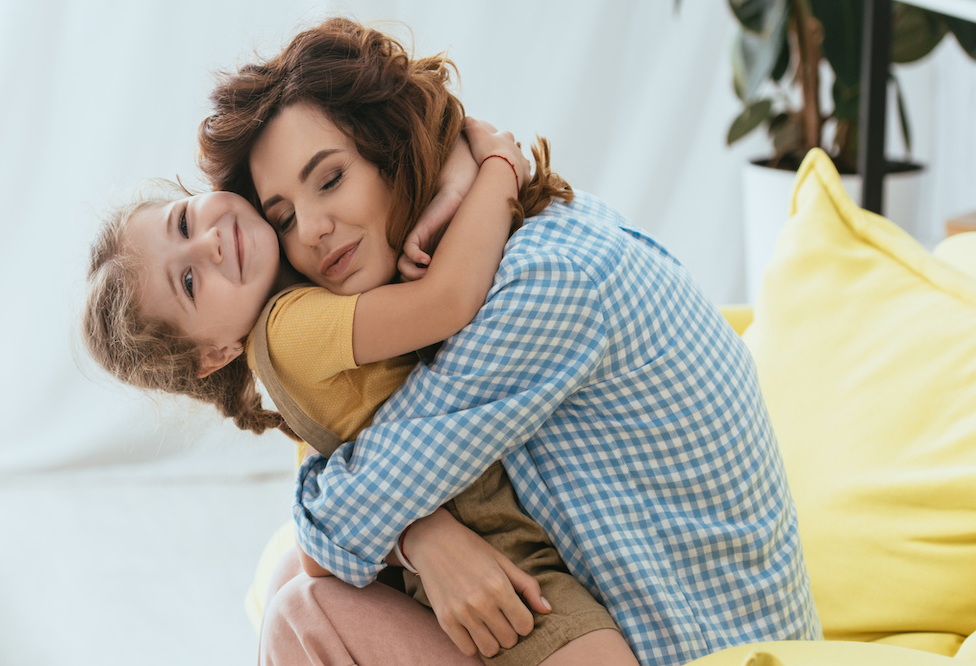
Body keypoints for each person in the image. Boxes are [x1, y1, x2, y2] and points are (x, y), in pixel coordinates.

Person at [198, 18, 821, 666]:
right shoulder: (496, 239)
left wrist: (415, 536)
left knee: (305, 609)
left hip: (690, 646)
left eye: (330, 179)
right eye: (285, 218)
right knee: (287, 589)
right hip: (628, 616)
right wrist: (479, 160)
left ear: (389, 149)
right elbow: (355, 448)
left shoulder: (544, 284)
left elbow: (336, 527)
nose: (316, 230)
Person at [82, 94, 639, 666]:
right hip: (497, 541)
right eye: (191, 283)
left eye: (182, 222)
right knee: (300, 604)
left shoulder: (299, 269)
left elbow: (433, 140)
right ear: (216, 355)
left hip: (483, 526)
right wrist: (499, 166)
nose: (210, 242)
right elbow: (446, 300)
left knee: (286, 588)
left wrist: (458, 165)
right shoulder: (288, 330)